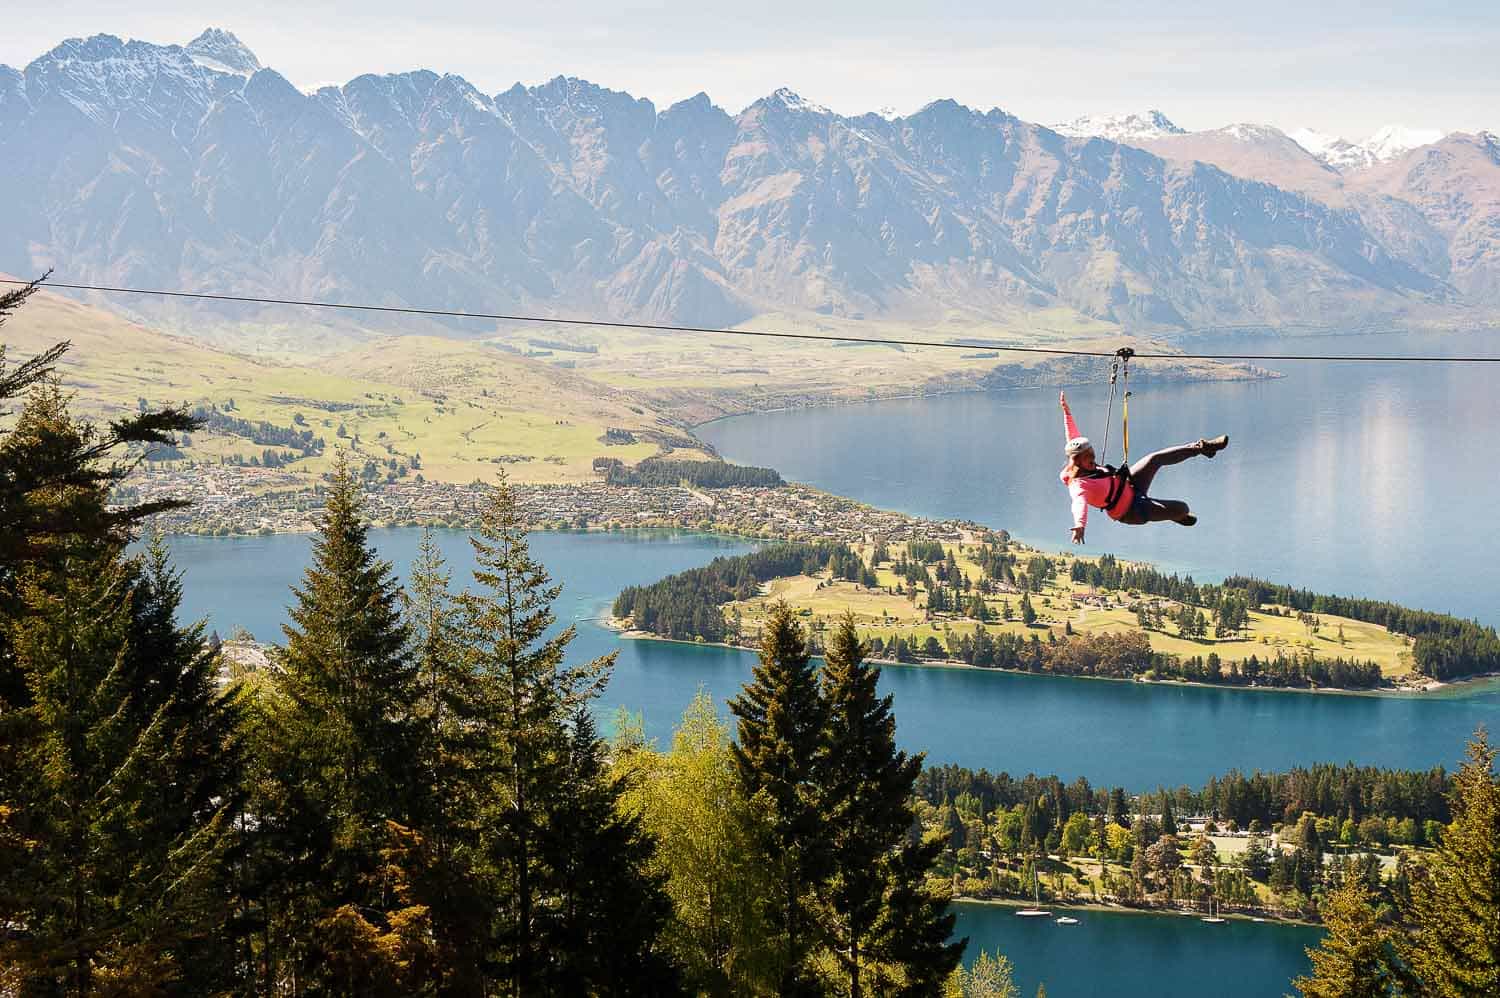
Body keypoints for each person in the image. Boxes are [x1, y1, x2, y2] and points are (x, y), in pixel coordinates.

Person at [1059, 390, 1228, 544]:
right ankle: (1175, 515)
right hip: (1130, 510)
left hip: (1129, 484)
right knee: (1183, 508)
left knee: (1154, 459)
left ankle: (1204, 447)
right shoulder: (1078, 486)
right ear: (1077, 461)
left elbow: (1072, 435)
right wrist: (1080, 525)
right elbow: (1078, 504)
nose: (1093, 458)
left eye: (1092, 453)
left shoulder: (1082, 461)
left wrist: (1066, 411)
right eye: (1088, 456)